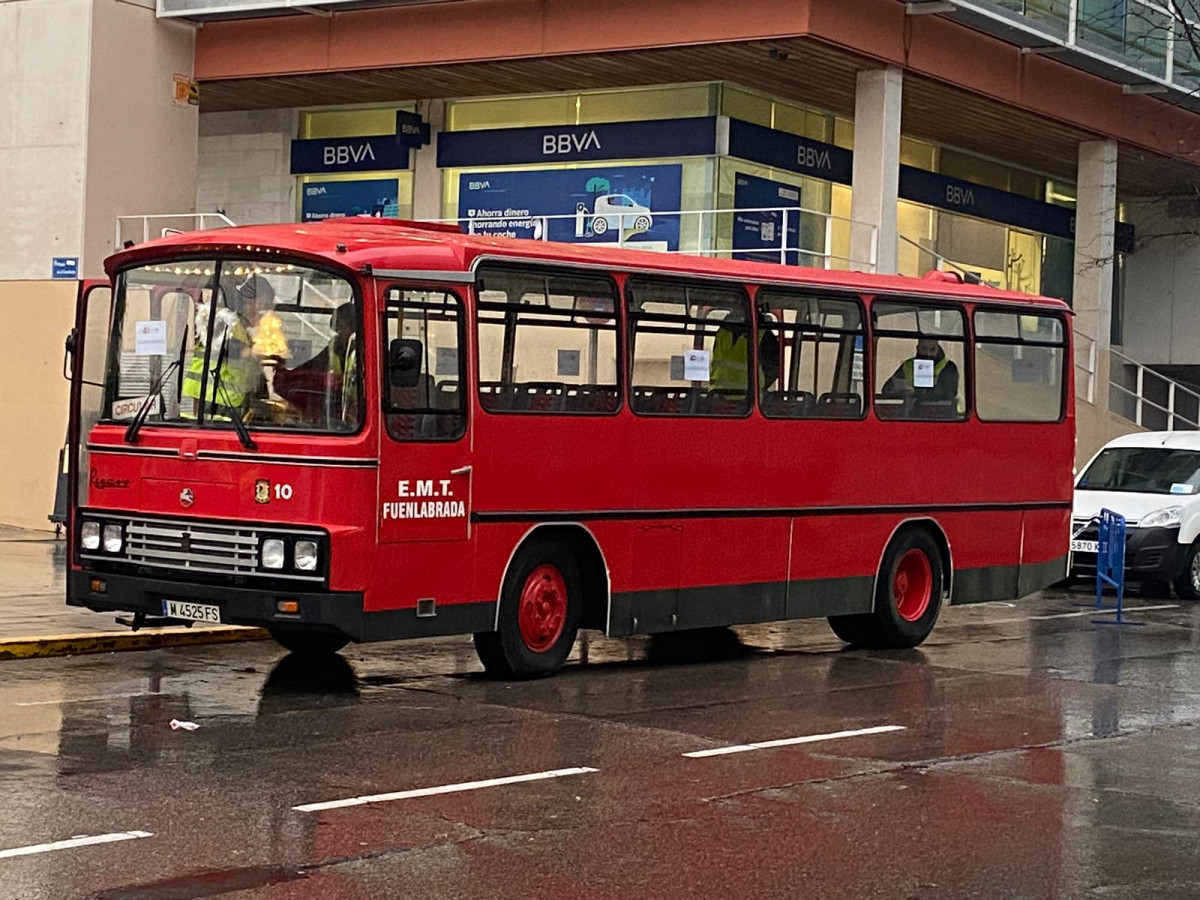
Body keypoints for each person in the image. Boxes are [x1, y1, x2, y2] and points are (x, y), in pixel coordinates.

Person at [181, 275, 270, 419]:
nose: (263, 309)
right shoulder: (223, 317)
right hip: (218, 396)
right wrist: (248, 351)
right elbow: (222, 344)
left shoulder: (238, 322)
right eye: (264, 303)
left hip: (217, 392)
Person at [272, 304, 356, 423]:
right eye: (337, 330)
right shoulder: (335, 346)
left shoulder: (366, 350)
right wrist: (285, 374)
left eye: (342, 328)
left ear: (354, 329)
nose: (339, 334)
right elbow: (312, 366)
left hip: (356, 409)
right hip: (338, 405)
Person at [882, 336, 960, 413]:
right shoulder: (908, 365)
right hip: (911, 414)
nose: (928, 353)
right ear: (918, 348)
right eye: (924, 349)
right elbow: (886, 390)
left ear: (938, 349)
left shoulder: (948, 367)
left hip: (938, 415)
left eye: (932, 350)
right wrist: (900, 391)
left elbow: (948, 394)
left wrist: (916, 393)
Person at [710, 316, 780, 392]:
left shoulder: (723, 331)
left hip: (719, 394)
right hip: (748, 396)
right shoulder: (764, 336)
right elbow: (772, 369)